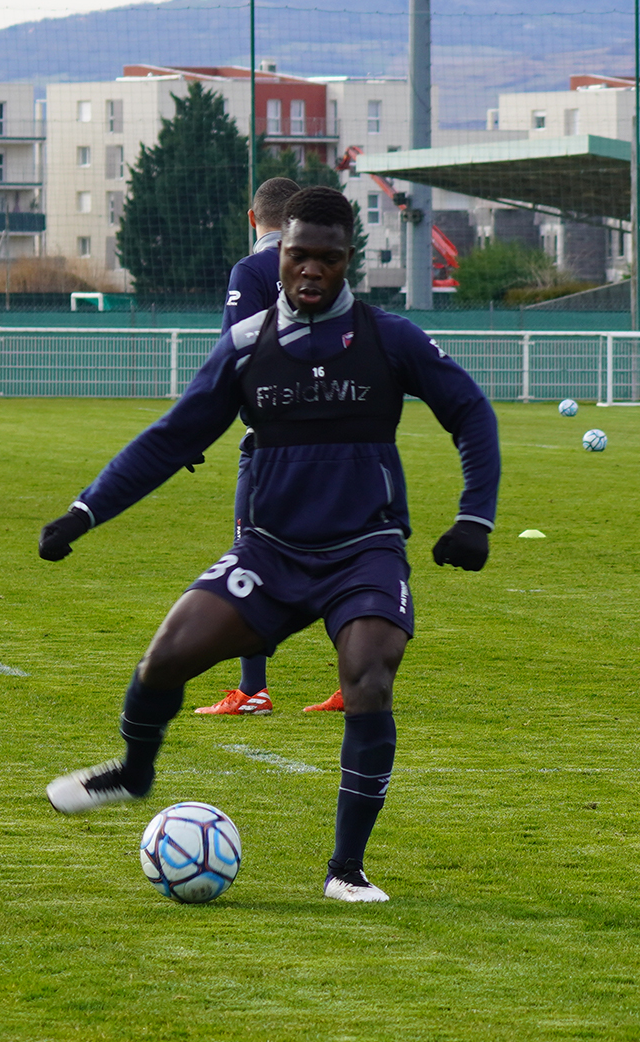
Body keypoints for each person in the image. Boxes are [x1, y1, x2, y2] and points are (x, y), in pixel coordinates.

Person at [38, 186, 500, 902]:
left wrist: (476, 518)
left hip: (364, 550)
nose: (310, 271)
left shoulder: (389, 338)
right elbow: (172, 439)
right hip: (270, 554)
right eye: (297, 256)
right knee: (165, 658)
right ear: (276, 254)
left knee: (370, 676)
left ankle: (346, 871)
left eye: (327, 258)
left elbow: (470, 410)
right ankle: (134, 772)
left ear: (350, 260)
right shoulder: (248, 345)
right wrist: (84, 511)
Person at [193, 175, 302, 718]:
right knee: (344, 560)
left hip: (273, 442)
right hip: (337, 438)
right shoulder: (324, 268)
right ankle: (359, 686)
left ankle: (253, 690)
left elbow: (234, 354)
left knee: (251, 557)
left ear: (252, 218)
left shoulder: (254, 269)